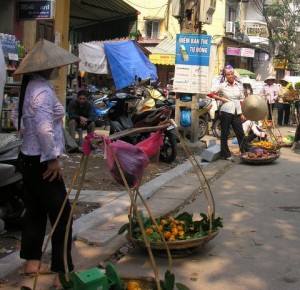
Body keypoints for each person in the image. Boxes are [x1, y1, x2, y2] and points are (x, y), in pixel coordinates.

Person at [13, 39, 80, 288]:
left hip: (27, 158)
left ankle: (32, 261)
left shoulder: (28, 87)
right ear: (49, 67)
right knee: (63, 216)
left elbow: (17, 120)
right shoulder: (41, 91)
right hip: (41, 161)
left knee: (35, 211)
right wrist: (52, 160)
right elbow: (43, 128)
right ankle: (62, 272)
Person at [208, 66, 248, 161]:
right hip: (226, 111)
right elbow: (210, 93)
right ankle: (225, 154)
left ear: (234, 75)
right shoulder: (222, 85)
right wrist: (222, 99)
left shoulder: (239, 85)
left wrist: (243, 113)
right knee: (225, 133)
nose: (230, 76)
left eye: (231, 74)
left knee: (240, 133)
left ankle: (245, 152)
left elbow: (242, 99)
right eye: (228, 75)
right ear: (225, 76)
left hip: (237, 112)